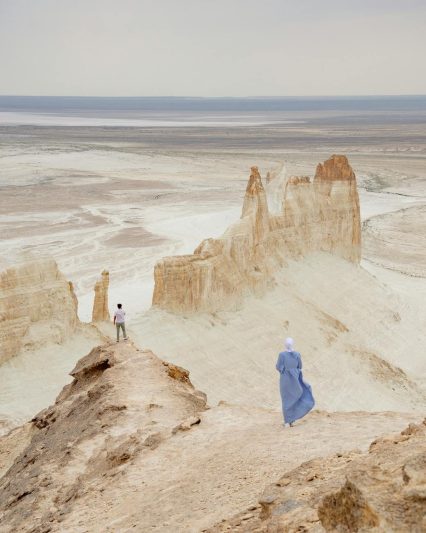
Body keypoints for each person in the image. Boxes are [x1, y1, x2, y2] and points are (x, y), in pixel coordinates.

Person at [276, 337, 314, 427]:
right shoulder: (297, 354)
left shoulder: (282, 355)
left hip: (285, 379)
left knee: (286, 399)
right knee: (295, 397)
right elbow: (300, 366)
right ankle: (291, 420)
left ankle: (287, 422)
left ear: (285, 344)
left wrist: (285, 370)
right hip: (295, 378)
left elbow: (278, 367)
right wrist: (294, 371)